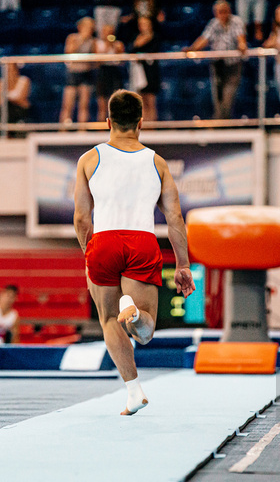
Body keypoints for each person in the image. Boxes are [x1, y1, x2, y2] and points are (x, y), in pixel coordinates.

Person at [73, 89, 195, 416]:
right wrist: (182, 264)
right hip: (142, 241)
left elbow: (82, 217)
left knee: (108, 320)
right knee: (145, 333)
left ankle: (133, 390)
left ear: (107, 121)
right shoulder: (157, 163)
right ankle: (137, 315)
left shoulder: (89, 159)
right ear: (141, 123)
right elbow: (175, 218)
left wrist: (91, 253)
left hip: (103, 241)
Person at [184, 0, 247, 120]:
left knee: (228, 96)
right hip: (217, 65)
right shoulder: (214, 23)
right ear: (215, 13)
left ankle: (224, 123)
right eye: (219, 12)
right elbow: (204, 38)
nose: (222, 15)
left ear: (229, 11)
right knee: (217, 96)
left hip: (233, 65)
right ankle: (219, 122)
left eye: (224, 11)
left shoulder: (236, 21)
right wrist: (192, 48)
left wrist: (242, 45)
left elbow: (241, 39)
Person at [59, 17, 96, 126]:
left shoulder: (92, 40)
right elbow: (68, 51)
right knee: (67, 104)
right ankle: (63, 130)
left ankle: (82, 130)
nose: (90, 30)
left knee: (84, 104)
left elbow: (94, 57)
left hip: (86, 73)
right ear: (80, 27)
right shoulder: (73, 37)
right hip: (73, 73)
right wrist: (81, 39)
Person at [129, 16, 160, 121]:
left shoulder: (155, 37)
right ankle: (144, 125)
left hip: (151, 71)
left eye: (145, 24)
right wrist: (137, 43)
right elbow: (132, 51)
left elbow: (154, 51)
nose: (142, 26)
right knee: (141, 100)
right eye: (140, 24)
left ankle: (152, 125)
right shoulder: (136, 37)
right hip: (139, 72)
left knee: (151, 100)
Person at [96, 24, 125, 122]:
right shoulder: (97, 43)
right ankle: (101, 127)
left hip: (115, 71)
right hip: (103, 71)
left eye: (110, 31)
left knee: (116, 102)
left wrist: (113, 46)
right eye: (106, 31)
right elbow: (98, 60)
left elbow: (121, 61)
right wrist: (107, 46)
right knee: (102, 102)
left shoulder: (118, 44)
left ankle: (117, 127)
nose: (108, 34)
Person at [0, 62, 31, 132]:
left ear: (16, 70)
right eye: (6, 70)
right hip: (5, 113)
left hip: (20, 112)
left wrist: (7, 96)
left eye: (10, 69)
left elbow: (21, 99)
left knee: (10, 105)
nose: (8, 72)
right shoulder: (0, 82)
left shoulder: (24, 80)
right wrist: (11, 98)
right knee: (6, 106)